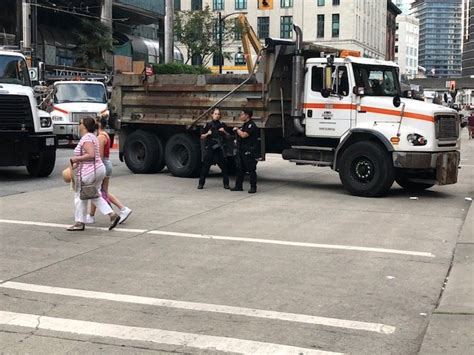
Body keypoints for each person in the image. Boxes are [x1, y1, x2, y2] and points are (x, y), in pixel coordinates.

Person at [68, 116, 120, 231]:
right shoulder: (93, 137)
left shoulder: (87, 138)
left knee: (80, 196)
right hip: (97, 169)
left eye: (80, 122)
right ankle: (112, 215)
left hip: (90, 171)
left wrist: (76, 160)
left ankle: (79, 222)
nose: (79, 124)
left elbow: (91, 155)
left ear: (85, 125)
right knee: (94, 195)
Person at [86, 115, 132, 224]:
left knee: (100, 191)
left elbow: (99, 156)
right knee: (99, 191)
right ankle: (91, 216)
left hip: (103, 165)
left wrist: (94, 168)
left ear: (99, 124)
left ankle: (123, 209)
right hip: (106, 164)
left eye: (95, 122)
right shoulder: (104, 135)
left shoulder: (100, 137)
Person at [197, 107, 230, 189]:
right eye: (215, 114)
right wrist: (208, 133)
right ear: (212, 115)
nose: (217, 116)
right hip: (210, 148)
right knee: (205, 167)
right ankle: (201, 183)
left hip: (219, 149)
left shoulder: (222, 124)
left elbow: (229, 136)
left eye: (218, 114)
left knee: (224, 167)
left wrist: (224, 131)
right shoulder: (208, 125)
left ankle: (226, 184)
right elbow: (202, 137)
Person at [230, 108, 259, 194]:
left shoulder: (251, 125)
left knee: (251, 169)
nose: (241, 116)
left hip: (249, 150)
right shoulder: (244, 125)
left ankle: (253, 187)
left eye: (242, 114)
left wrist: (237, 130)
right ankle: (238, 186)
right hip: (242, 150)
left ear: (247, 115)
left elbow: (243, 135)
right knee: (240, 168)